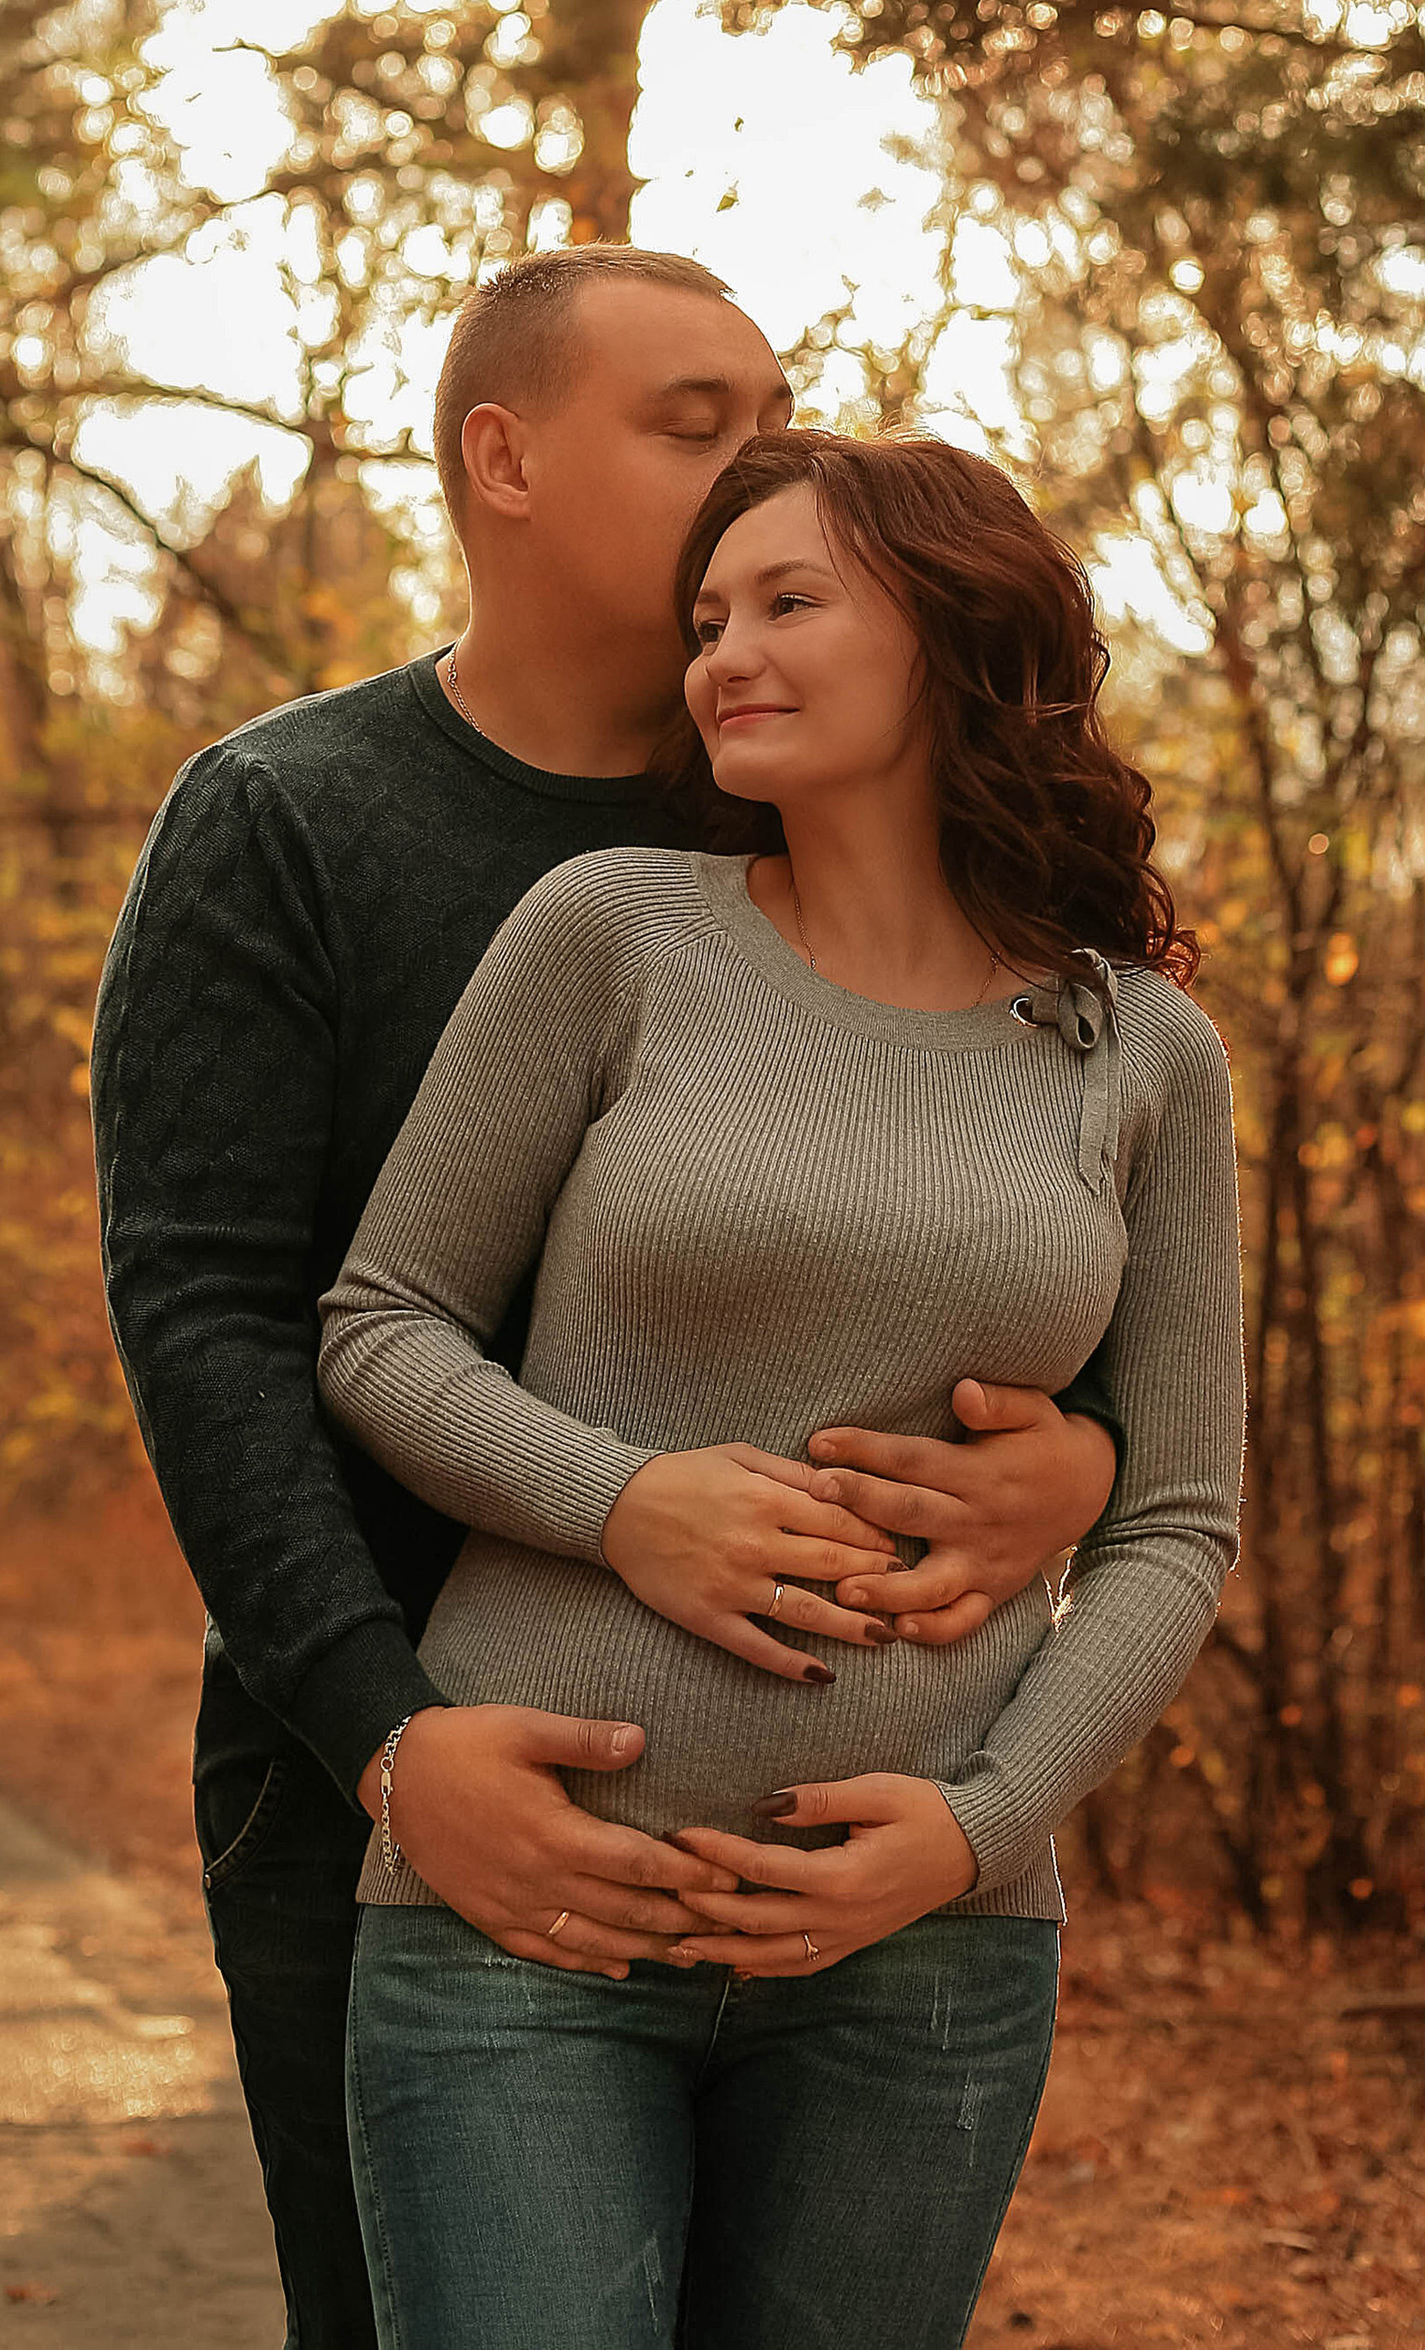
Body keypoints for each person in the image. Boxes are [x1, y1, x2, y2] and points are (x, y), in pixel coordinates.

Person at [92, 252, 1129, 2345]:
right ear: (502, 458)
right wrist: (390, 1740)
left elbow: (1022, 1243)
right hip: (399, 1763)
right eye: (686, 417)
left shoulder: (802, 792)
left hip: (838, 1835)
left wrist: (1079, 1463)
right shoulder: (292, 816)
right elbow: (212, 1321)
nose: (750, 460)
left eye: (767, 409)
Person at [319, 425, 1247, 2350]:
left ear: (953, 630)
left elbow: (1177, 1518)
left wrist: (977, 1827)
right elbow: (384, 1323)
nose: (724, 650)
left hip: (918, 1962)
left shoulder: (1137, 1048)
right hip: (535, 1918)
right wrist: (623, 1502)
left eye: (790, 602)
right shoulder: (615, 935)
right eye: (710, 615)